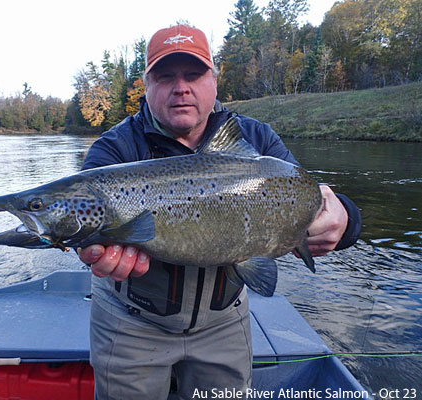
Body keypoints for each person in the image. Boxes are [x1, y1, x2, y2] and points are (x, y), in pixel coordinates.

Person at [78, 24, 361, 400]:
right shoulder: (114, 151)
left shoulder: (256, 139)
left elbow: (310, 198)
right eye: (165, 76)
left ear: (214, 79)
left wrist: (344, 216)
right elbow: (84, 226)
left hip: (224, 322)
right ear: (146, 85)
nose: (181, 87)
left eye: (193, 75)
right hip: (131, 323)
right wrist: (90, 249)